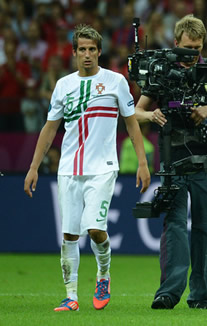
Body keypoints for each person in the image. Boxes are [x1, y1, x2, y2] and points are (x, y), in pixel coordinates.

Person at [24, 24, 151, 312]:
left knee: (95, 229)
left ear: (99, 51)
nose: (87, 55)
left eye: (92, 49)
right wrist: (33, 167)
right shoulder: (63, 86)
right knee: (69, 235)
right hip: (68, 168)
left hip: (103, 168)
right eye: (82, 49)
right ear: (74, 53)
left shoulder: (116, 82)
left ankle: (103, 275)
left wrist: (143, 163)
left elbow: (131, 121)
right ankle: (71, 297)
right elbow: (49, 128)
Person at [134, 14, 207, 310]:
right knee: (174, 226)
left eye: (198, 48)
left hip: (205, 162)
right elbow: (134, 111)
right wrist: (151, 115)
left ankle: (200, 295)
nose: (192, 56)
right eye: (187, 49)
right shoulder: (162, 71)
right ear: (175, 43)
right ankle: (168, 292)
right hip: (173, 163)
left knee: (205, 228)